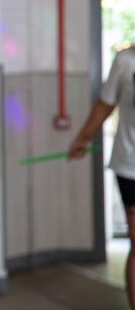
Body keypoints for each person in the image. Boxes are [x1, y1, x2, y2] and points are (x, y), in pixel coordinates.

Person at [69, 45, 135, 308]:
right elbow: (106, 104)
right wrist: (82, 138)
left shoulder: (126, 60)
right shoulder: (126, 60)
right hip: (131, 165)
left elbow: (105, 104)